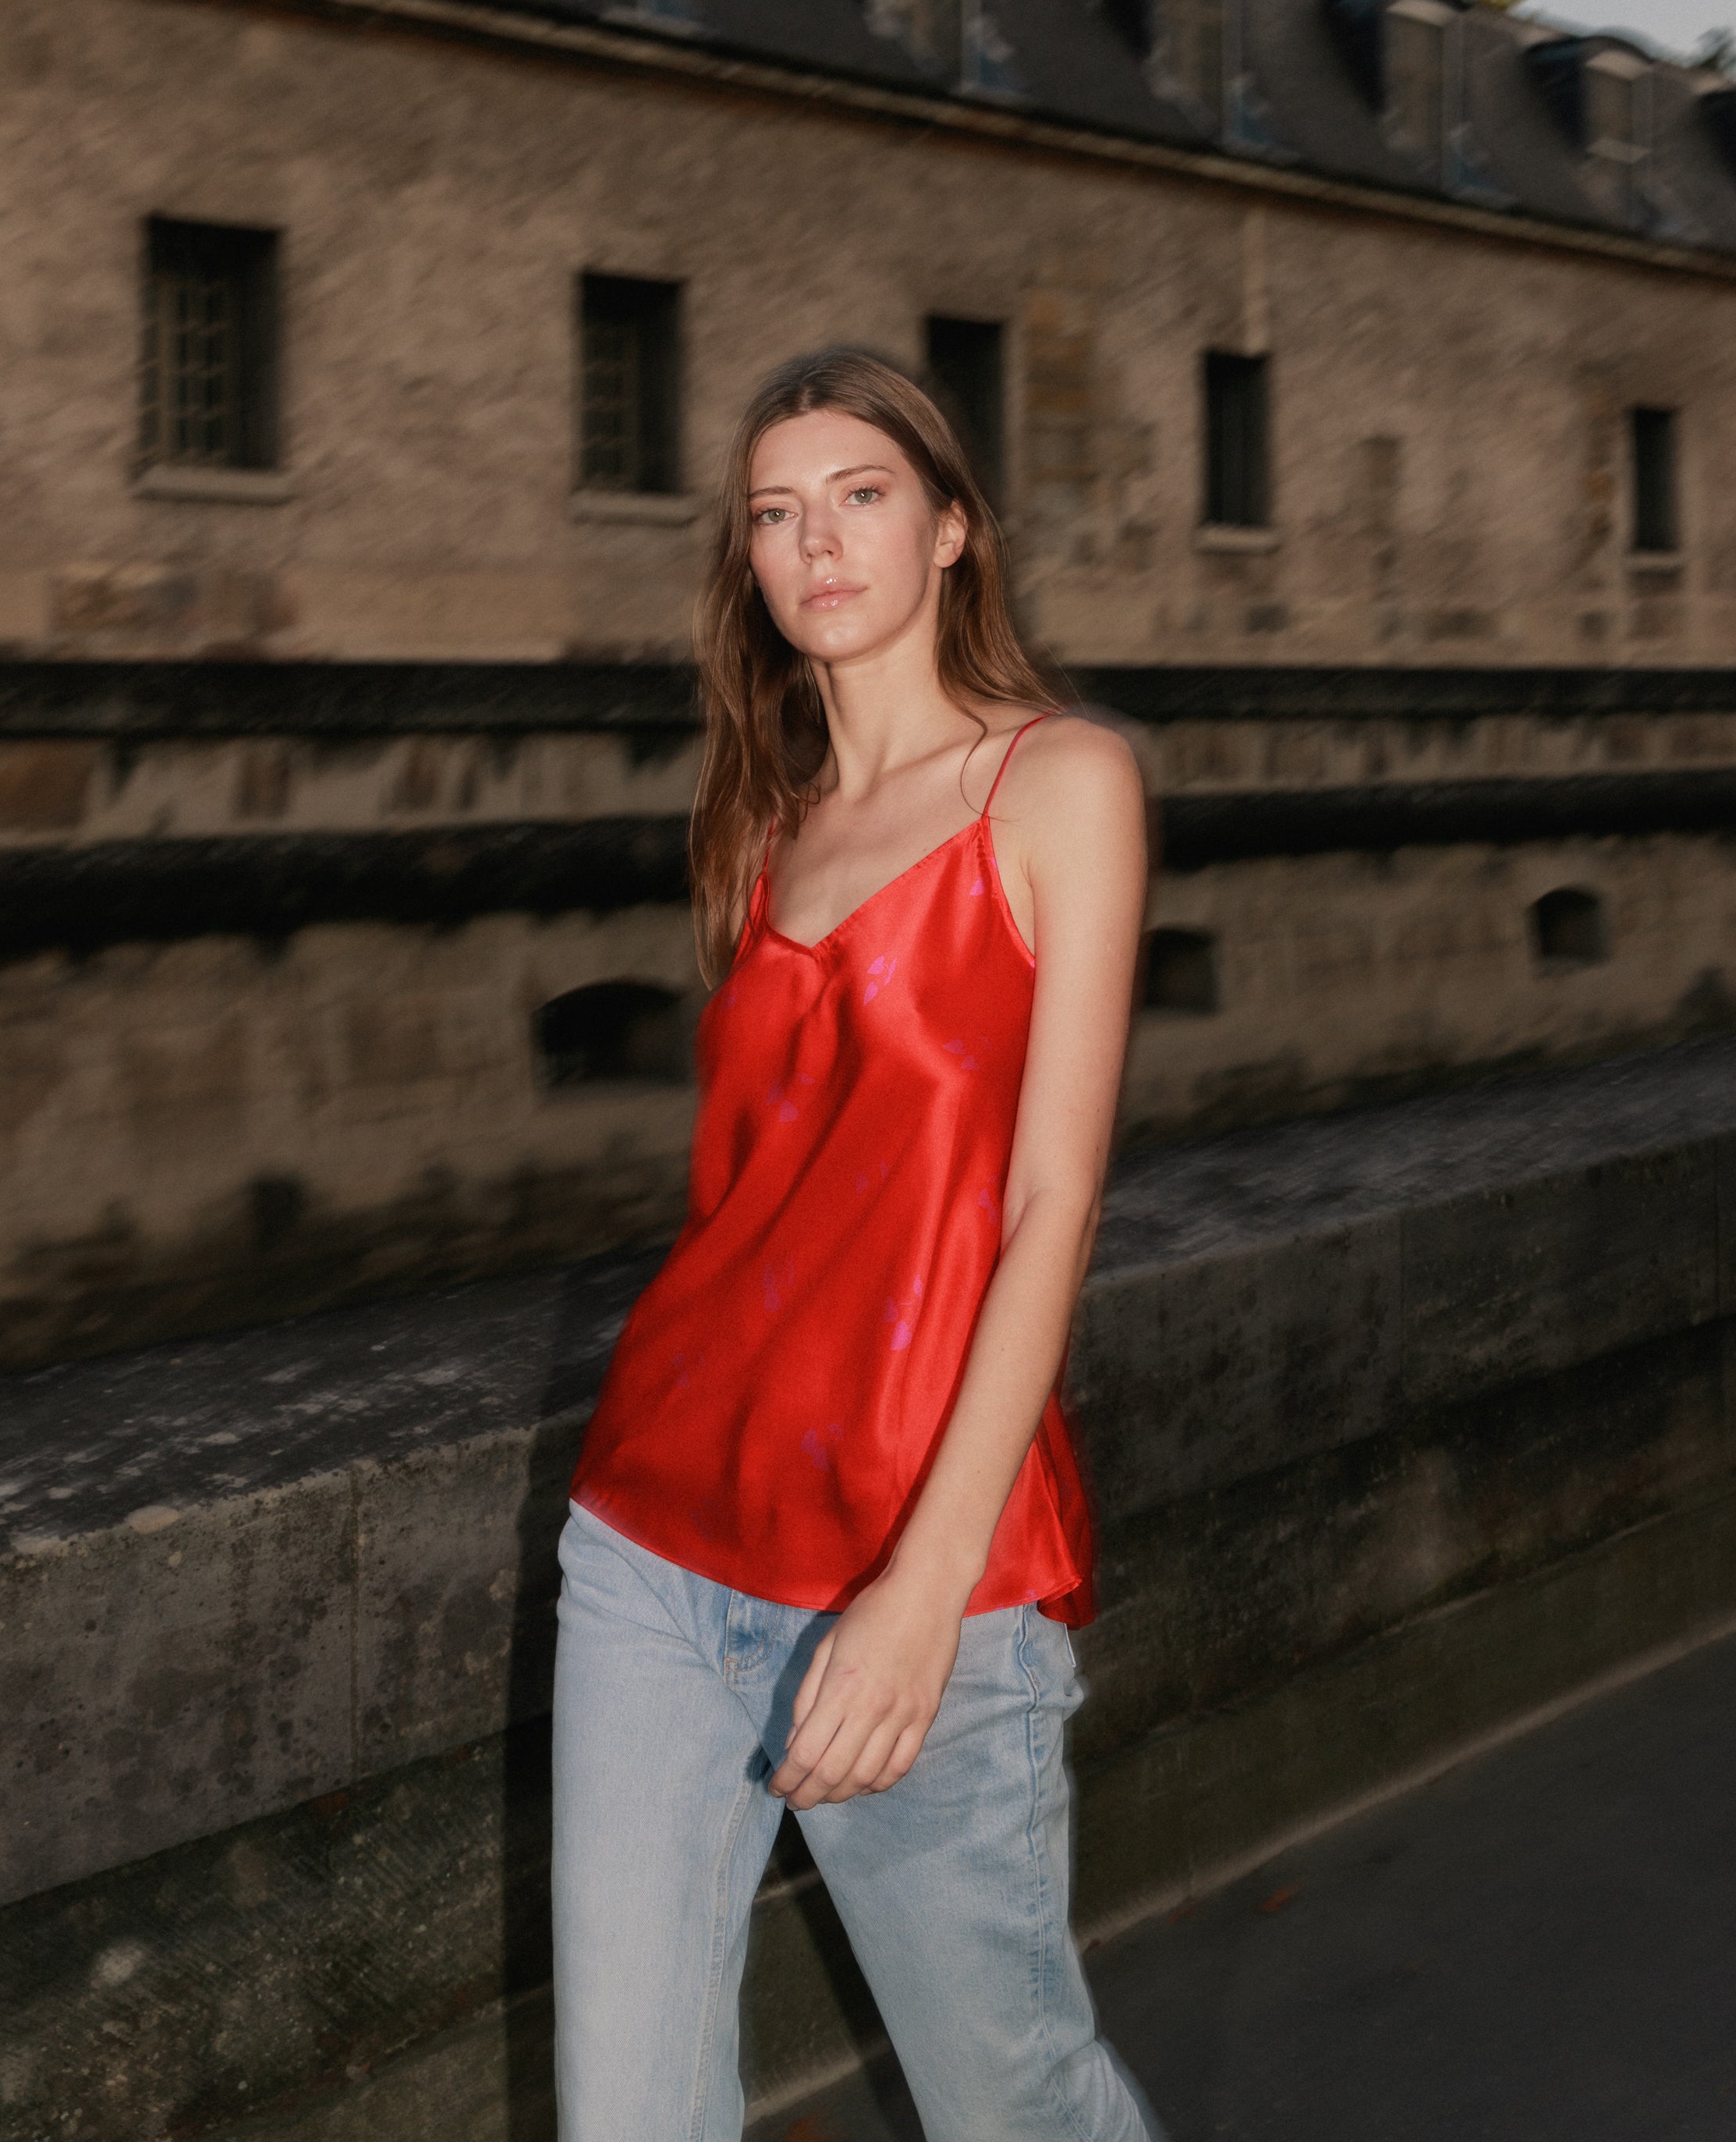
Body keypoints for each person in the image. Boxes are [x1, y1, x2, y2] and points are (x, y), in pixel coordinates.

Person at [553, 346, 1162, 2142]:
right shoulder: (760, 827)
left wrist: (911, 1595)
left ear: (954, 527)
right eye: (774, 513)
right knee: (629, 2120)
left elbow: (1049, 1203)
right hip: (651, 1549)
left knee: (1017, 2107)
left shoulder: (1061, 787)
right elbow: (752, 1208)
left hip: (929, 1576)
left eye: (862, 495)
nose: (816, 543)